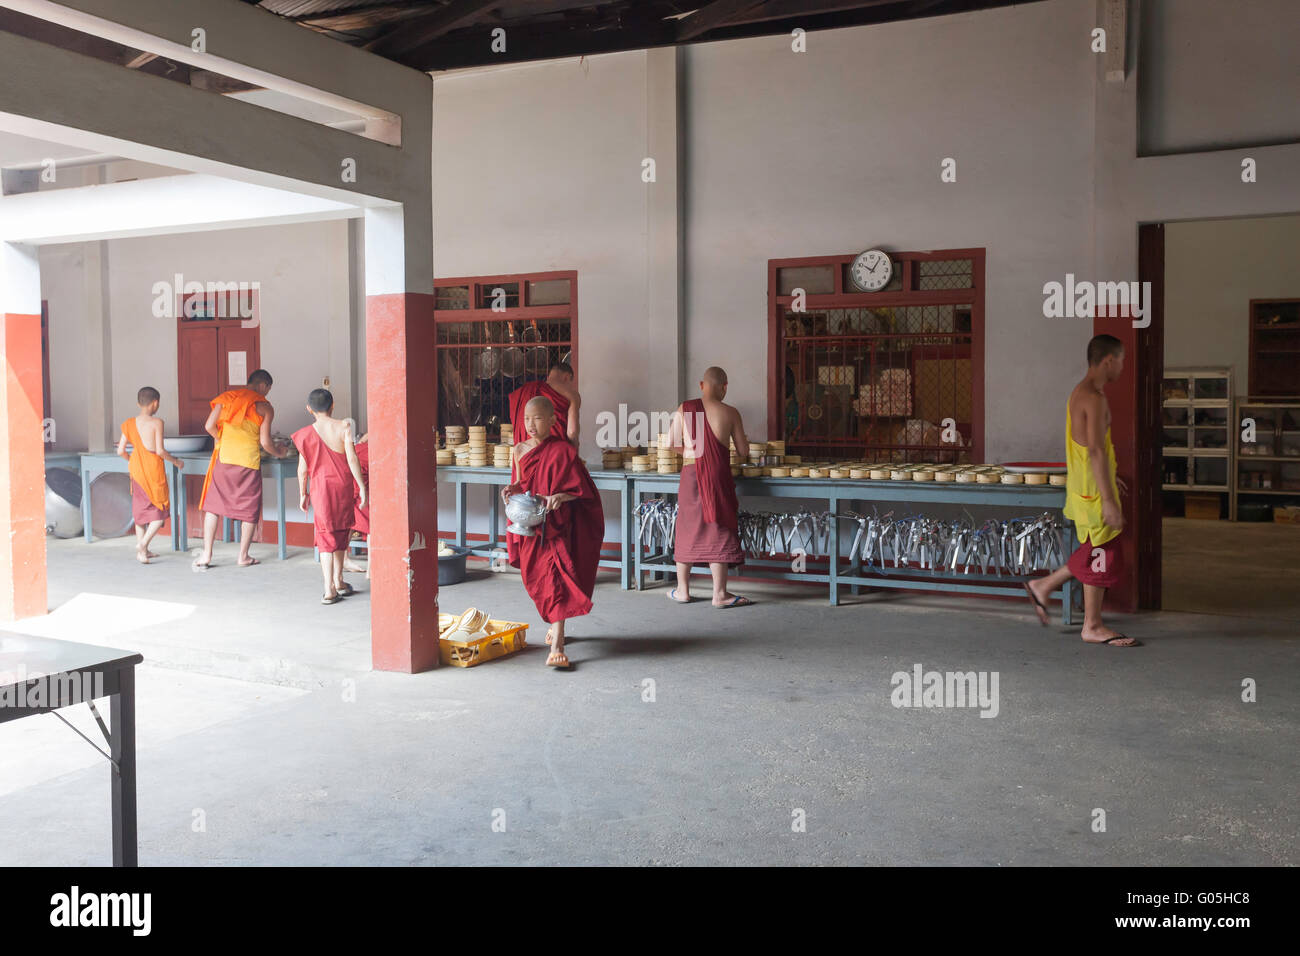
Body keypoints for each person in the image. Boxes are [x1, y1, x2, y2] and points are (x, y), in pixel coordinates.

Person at [1025, 334, 1139, 646]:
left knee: (1095, 551)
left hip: (1085, 488)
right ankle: (1092, 625)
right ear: (1109, 361)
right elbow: (1095, 453)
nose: (1123, 366)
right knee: (1102, 553)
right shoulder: (1094, 398)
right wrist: (1108, 500)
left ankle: (1044, 587)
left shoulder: (1080, 393)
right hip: (1093, 494)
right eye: (1122, 360)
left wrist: (1110, 478)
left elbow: (1088, 449)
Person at [501, 395, 604, 668]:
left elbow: (582, 490)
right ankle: (556, 625)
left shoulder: (564, 450)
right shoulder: (520, 450)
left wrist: (561, 496)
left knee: (556, 577)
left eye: (537, 418)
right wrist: (511, 490)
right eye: (526, 419)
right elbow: (523, 483)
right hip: (532, 525)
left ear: (552, 420)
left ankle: (557, 644)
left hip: (558, 525)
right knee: (538, 579)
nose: (531, 424)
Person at [668, 366, 751, 608]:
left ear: (701, 385)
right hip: (718, 475)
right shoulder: (731, 412)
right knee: (719, 526)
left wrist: (696, 454)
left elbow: (672, 443)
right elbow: (744, 451)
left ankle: (682, 590)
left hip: (690, 473)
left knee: (687, 526)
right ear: (724, 387)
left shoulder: (685, 408)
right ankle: (720, 594)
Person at [193, 369, 288, 570]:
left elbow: (209, 426)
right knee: (249, 510)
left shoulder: (226, 399)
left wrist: (221, 439)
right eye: (268, 389)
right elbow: (265, 442)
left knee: (213, 507)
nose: (266, 394)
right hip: (248, 463)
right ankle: (243, 556)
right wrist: (279, 453)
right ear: (263, 385)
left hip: (225, 459)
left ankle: (206, 554)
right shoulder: (264, 407)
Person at [292, 389, 366, 605]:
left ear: (309, 409)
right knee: (342, 531)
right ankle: (339, 580)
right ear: (332, 406)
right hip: (342, 485)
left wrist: (302, 493)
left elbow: (302, 469)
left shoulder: (304, 434)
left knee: (325, 535)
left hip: (320, 488)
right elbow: (352, 459)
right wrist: (361, 486)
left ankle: (329, 589)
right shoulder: (343, 426)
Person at [116, 386, 184, 565]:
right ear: (156, 403)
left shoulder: (128, 423)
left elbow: (120, 451)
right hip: (153, 469)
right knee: (159, 511)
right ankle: (143, 544)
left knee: (140, 512)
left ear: (139, 403)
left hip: (136, 469)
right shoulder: (157, 423)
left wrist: (132, 460)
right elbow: (160, 451)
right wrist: (176, 461)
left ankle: (143, 553)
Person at [507, 361, 580, 446]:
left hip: (526, 452)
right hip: (554, 453)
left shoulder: (524, 391)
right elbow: (572, 432)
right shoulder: (571, 395)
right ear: (567, 377)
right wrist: (573, 448)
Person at [345, 431, 369, 576]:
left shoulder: (359, 446)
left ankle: (343, 560)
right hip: (362, 485)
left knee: (347, 522)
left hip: (351, 483)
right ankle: (371, 569)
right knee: (371, 525)